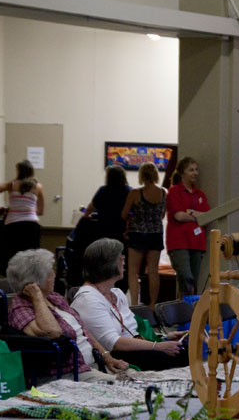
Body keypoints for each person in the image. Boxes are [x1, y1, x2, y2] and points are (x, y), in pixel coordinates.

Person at [6, 249, 126, 383]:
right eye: (50, 273)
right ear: (35, 282)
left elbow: (83, 330)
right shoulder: (21, 308)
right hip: (68, 374)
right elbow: (53, 332)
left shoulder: (54, 297)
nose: (55, 275)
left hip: (91, 365)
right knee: (131, 388)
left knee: (141, 379)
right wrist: (37, 296)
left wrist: (107, 357)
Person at [71, 238, 188, 371]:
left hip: (133, 347)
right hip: (116, 354)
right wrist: (157, 346)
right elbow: (114, 343)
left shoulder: (116, 293)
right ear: (107, 265)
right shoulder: (88, 299)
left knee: (183, 350)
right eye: (120, 258)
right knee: (168, 357)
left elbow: (131, 331)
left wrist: (163, 337)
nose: (124, 261)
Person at [0, 159, 45, 274]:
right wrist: (28, 210)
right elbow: (41, 211)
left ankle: (9, 284)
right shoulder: (38, 186)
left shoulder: (11, 185)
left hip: (12, 225)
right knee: (31, 258)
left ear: (18, 171)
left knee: (11, 256)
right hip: (31, 226)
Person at [121, 162, 166, 308]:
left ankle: (134, 304)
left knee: (133, 272)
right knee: (153, 271)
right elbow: (162, 214)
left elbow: (124, 214)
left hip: (138, 234)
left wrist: (134, 215)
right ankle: (153, 304)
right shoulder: (164, 193)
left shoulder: (135, 193)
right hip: (155, 234)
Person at [166, 157, 210, 296]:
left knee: (194, 281)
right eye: (191, 170)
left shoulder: (200, 194)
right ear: (182, 173)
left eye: (196, 169)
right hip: (179, 242)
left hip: (197, 243)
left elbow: (208, 216)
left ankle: (191, 311)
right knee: (186, 277)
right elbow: (178, 216)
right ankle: (183, 310)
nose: (195, 173)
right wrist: (198, 216)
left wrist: (190, 212)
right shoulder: (174, 192)